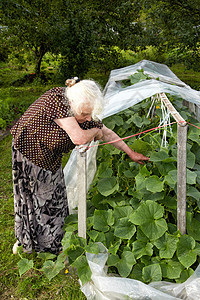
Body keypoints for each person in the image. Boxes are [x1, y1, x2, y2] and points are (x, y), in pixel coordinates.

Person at [11, 77, 149, 255]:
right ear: (71, 104)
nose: (88, 118)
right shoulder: (57, 101)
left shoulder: (81, 108)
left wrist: (130, 153)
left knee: (55, 198)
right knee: (37, 199)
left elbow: (105, 132)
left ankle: (51, 241)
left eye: (90, 113)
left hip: (49, 155)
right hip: (29, 151)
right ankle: (41, 245)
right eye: (84, 114)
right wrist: (95, 132)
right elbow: (80, 138)